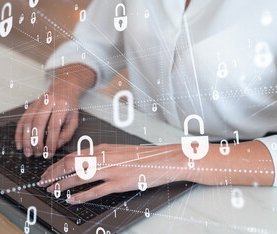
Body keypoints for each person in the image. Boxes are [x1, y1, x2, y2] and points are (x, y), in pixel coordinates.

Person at [15, 0, 277, 205]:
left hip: (247, 169)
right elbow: (94, 42)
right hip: (142, 147)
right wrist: (64, 88)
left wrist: (175, 159)